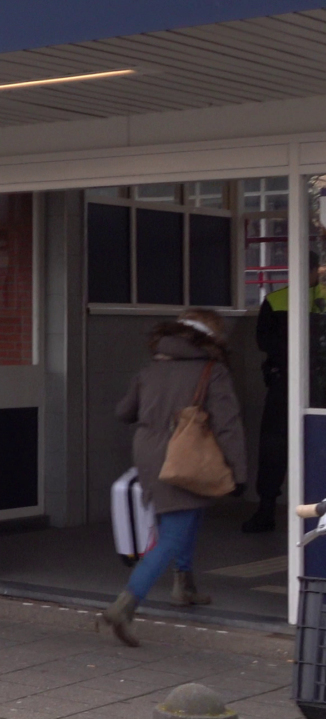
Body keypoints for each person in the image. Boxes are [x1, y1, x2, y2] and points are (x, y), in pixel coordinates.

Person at [101, 309, 248, 645]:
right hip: (185, 454)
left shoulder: (152, 367)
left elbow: (124, 412)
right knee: (172, 534)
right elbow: (228, 425)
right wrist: (239, 473)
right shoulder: (212, 370)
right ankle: (125, 605)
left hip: (148, 452)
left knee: (188, 514)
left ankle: (185, 586)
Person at [247, 257, 324, 532]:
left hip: (286, 382)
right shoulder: (317, 299)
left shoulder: (277, 299)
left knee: (273, 446)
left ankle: (266, 509)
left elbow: (263, 342)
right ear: (317, 270)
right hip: (312, 382)